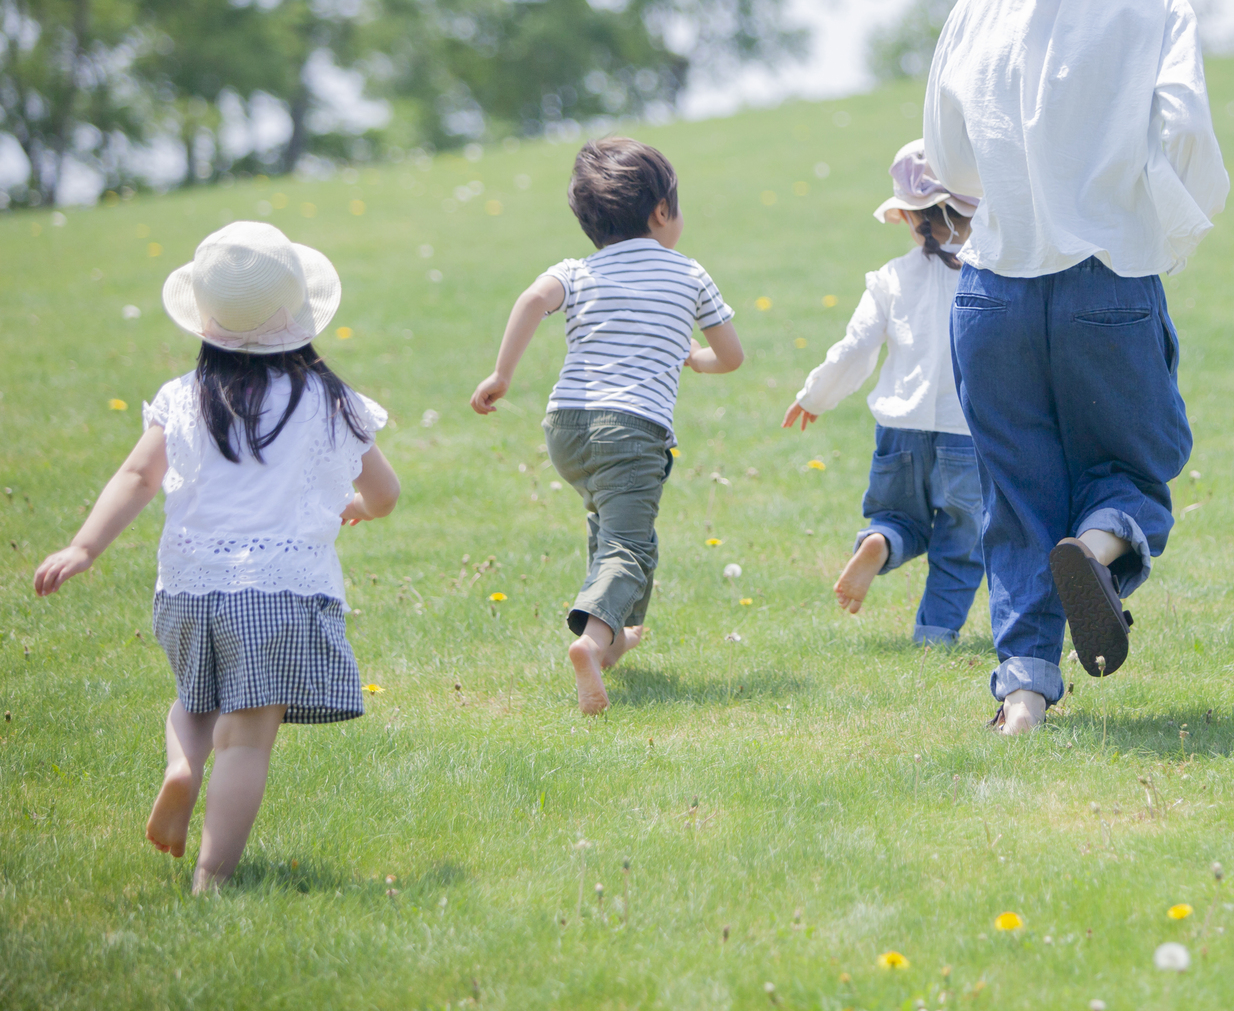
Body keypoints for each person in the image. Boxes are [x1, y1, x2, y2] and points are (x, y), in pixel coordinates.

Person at [924, 0, 1229, 734]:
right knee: (1135, 465)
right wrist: (1158, 221)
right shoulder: (1156, 6)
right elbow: (1185, 135)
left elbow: (949, 160)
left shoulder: (978, 5)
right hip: (1108, 281)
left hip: (993, 291)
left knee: (1015, 492)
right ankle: (1098, 548)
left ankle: (1023, 694)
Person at [32, 222, 400, 891]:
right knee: (246, 739)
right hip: (278, 591)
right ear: (298, 317)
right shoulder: (331, 399)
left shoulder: (182, 397)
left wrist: (84, 545)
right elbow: (385, 492)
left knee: (193, 702)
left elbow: (137, 478)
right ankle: (212, 875)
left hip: (188, 587)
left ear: (207, 321)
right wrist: (358, 507)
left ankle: (181, 765)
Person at [472, 137, 742, 716]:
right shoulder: (690, 274)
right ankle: (592, 643)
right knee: (629, 542)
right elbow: (731, 357)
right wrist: (692, 357)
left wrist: (501, 374)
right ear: (661, 212)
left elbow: (530, 300)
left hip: (566, 427)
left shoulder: (576, 270)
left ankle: (617, 637)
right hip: (633, 431)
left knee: (616, 529)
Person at [784, 140, 985, 644]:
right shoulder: (990, 274)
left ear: (903, 217)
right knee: (962, 541)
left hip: (899, 430)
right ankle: (935, 634)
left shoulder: (891, 278)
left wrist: (815, 396)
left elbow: (854, 350)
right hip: (966, 432)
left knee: (899, 516)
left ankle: (880, 540)